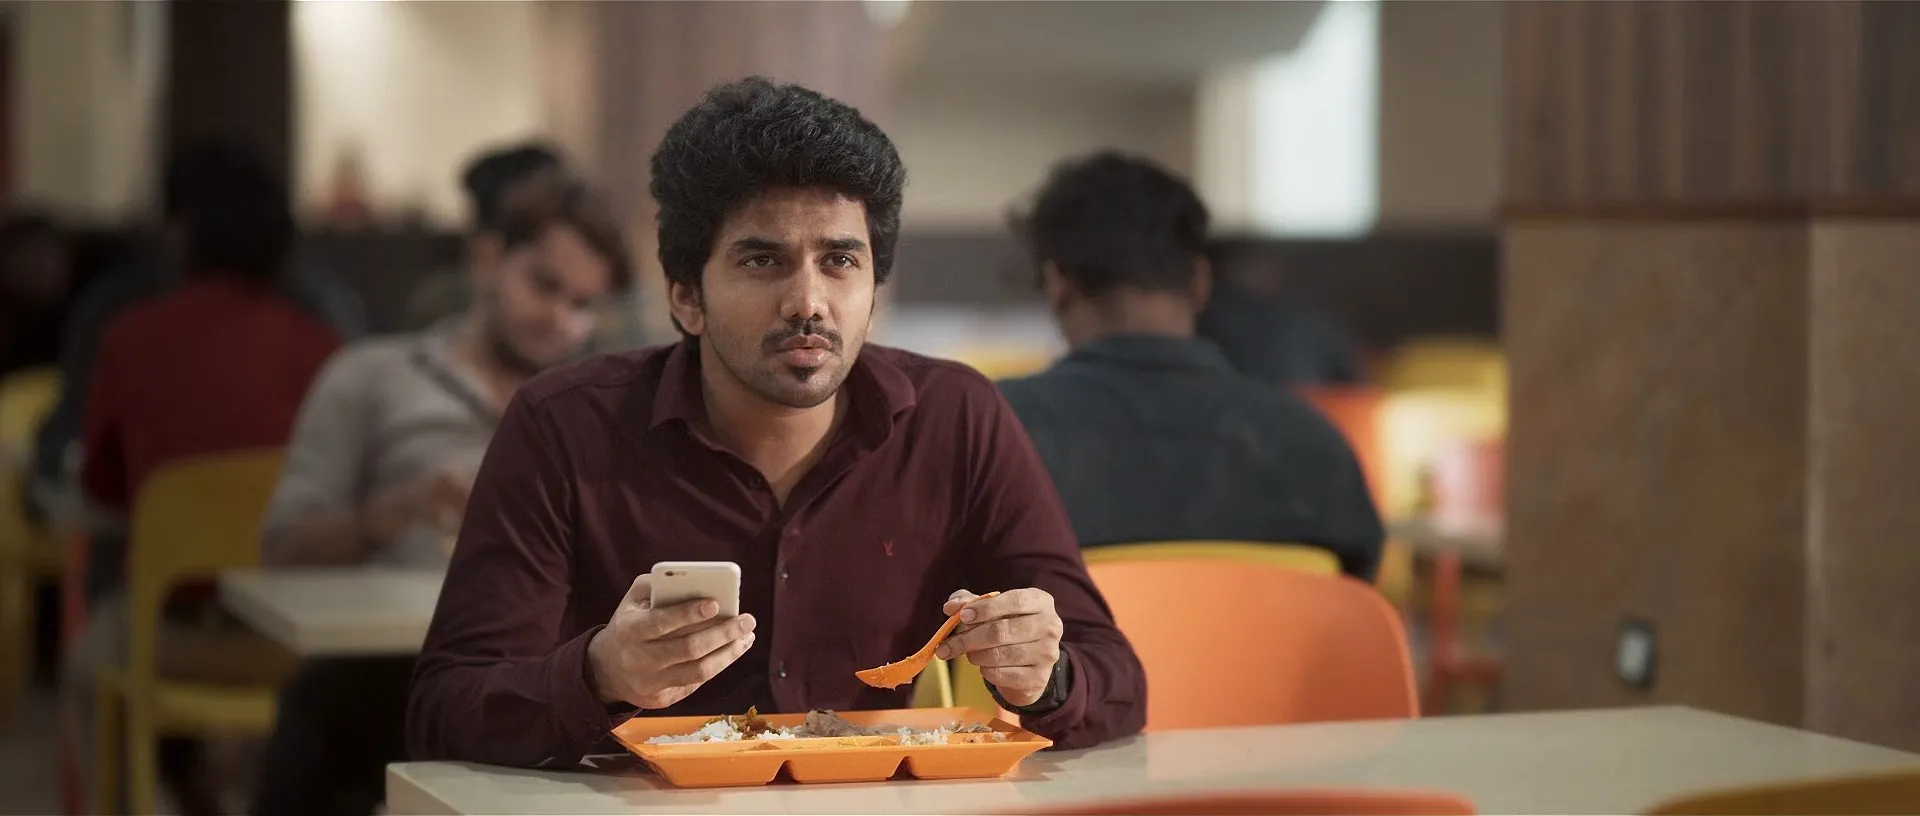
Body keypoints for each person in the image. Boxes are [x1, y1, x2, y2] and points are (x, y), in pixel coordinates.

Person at [406, 77, 1146, 768]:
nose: (808, 302)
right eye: (763, 261)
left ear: (874, 287)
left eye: (840, 261)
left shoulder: (956, 417)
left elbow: (1117, 681)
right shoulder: (564, 425)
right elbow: (444, 709)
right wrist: (600, 674)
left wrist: (1045, 676)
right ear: (687, 297)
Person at [248, 174, 630, 816]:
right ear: (488, 258)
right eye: (545, 286)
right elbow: (282, 550)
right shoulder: (372, 377)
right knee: (327, 707)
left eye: (584, 304)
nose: (561, 321)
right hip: (384, 663)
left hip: (552, 672)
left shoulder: (598, 411)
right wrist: (399, 509)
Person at [66, 138, 343, 816]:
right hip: (301, 643)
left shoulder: (132, 334)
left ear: (180, 232)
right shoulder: (323, 345)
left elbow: (102, 488)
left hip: (172, 637)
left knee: (84, 670)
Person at [996, 152, 1384, 579]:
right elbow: (1357, 601)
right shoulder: (1313, 446)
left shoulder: (991, 434)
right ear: (1200, 282)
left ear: (1058, 284)